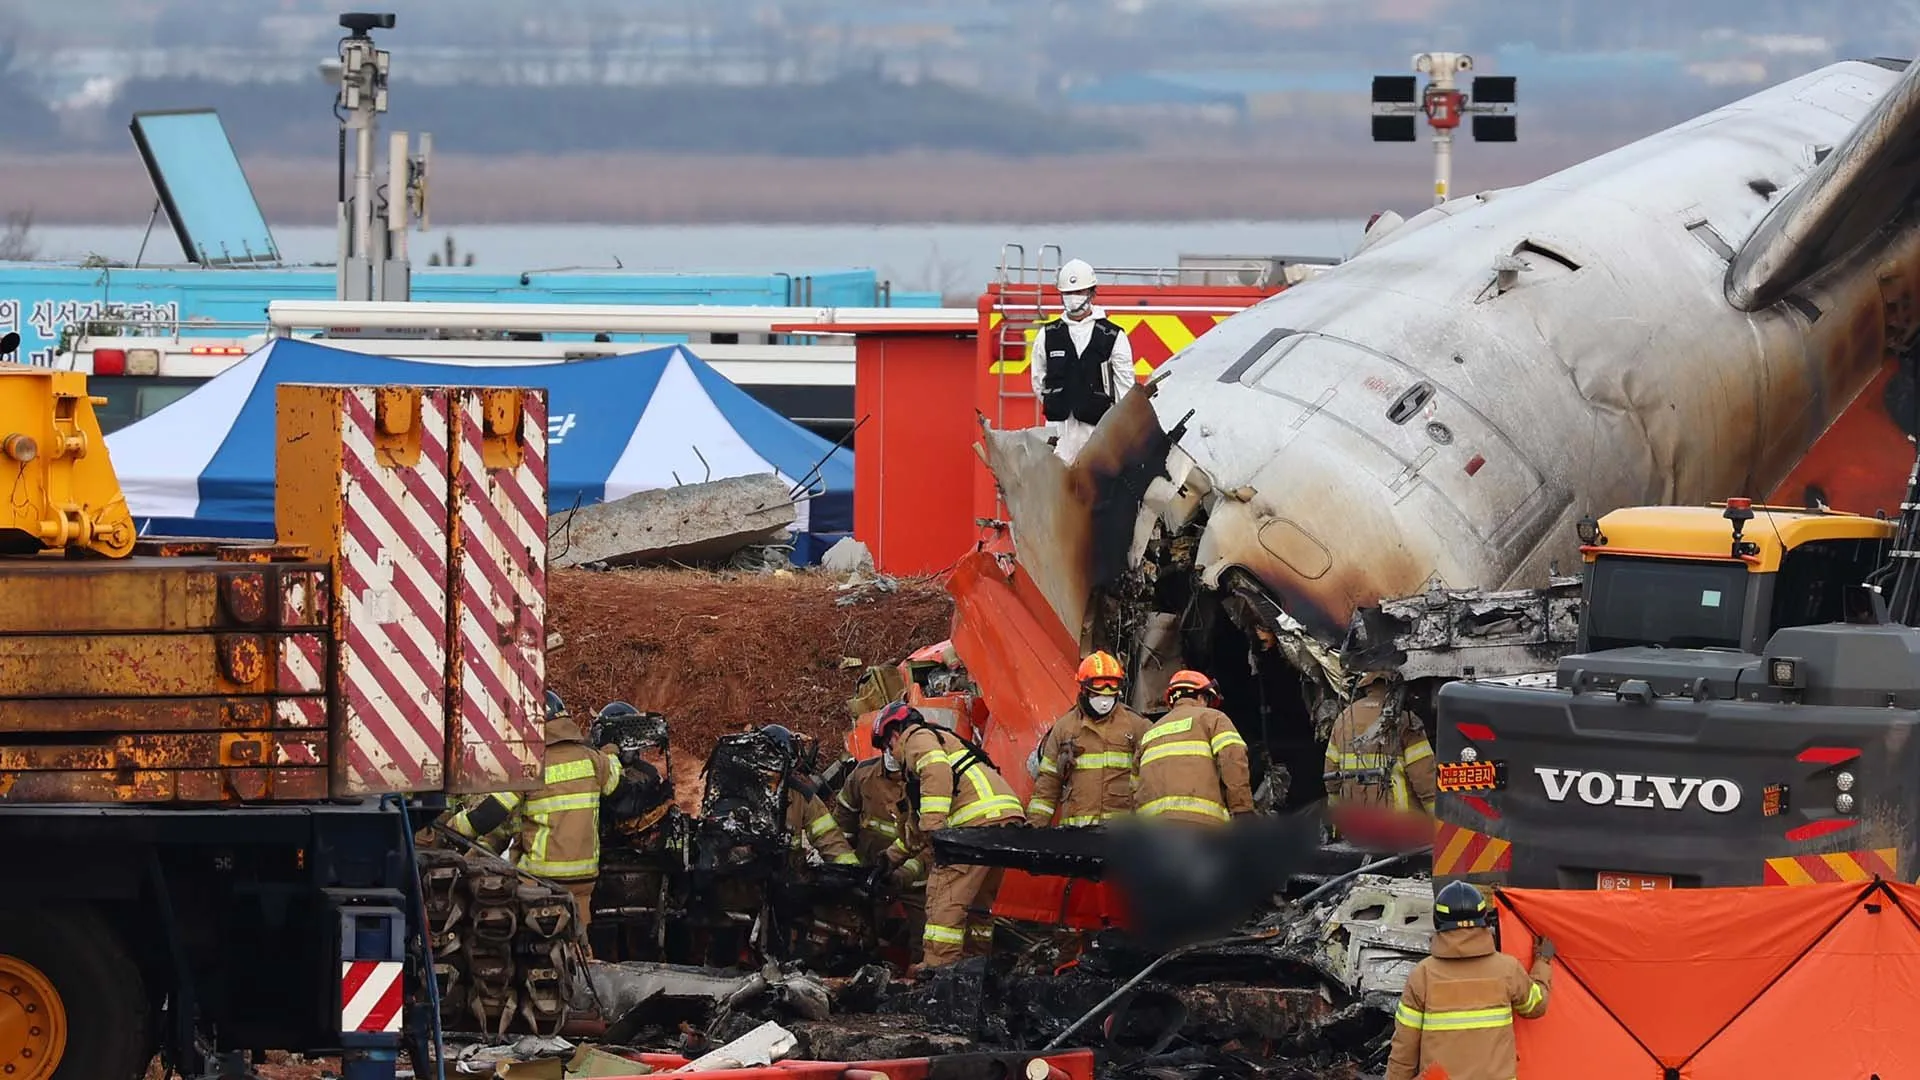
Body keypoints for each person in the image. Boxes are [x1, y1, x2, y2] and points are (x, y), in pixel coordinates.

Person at [448, 690, 621, 947]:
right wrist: (612, 753)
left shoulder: (530, 764)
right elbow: (613, 781)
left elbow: (490, 814)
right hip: (584, 878)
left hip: (540, 879)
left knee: (533, 945)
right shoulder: (593, 760)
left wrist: (452, 827)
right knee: (577, 939)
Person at [872, 702, 1026, 969]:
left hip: (973, 828)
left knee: (944, 900)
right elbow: (916, 831)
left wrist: (936, 830)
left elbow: (936, 772)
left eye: (887, 744)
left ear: (895, 733)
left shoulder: (916, 737)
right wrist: (889, 858)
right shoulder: (941, 744)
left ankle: (937, 971)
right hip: (1002, 821)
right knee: (978, 907)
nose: (889, 752)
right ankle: (974, 966)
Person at [1387, 880, 1553, 1080]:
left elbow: (1404, 1051)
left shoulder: (1422, 976)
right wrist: (1543, 962)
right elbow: (1536, 1006)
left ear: (1437, 920)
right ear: (1484, 919)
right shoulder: (1507, 969)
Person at [1027, 258, 1135, 464]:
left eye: (1079, 292)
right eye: (1067, 293)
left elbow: (1125, 388)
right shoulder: (1047, 335)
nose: (1073, 298)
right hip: (1058, 430)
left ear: (1091, 293)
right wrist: (1060, 403)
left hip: (1097, 429)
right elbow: (1038, 381)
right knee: (1056, 490)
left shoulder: (1113, 335)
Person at [1027, 650, 1149, 827]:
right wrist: (1034, 829)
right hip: (1077, 835)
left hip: (1121, 834)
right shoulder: (1065, 728)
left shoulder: (1136, 726)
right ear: (1084, 689)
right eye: (1098, 693)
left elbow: (1154, 778)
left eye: (1111, 693)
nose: (1104, 700)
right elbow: (1047, 785)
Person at [1324, 668, 1438, 849]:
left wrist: (1338, 830)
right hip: (1401, 830)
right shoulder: (1405, 721)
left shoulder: (1344, 719)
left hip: (1357, 830)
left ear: (1367, 687)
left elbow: (1331, 780)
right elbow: (1426, 782)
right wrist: (1442, 829)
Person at [1131, 670, 1255, 825]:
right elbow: (1233, 760)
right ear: (1202, 697)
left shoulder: (1150, 733)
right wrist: (1243, 810)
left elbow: (1134, 785)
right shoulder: (1213, 718)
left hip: (1151, 833)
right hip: (1201, 828)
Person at [759, 724, 860, 870]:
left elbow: (829, 839)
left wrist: (851, 874)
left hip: (786, 881)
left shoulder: (801, 797)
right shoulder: (738, 792)